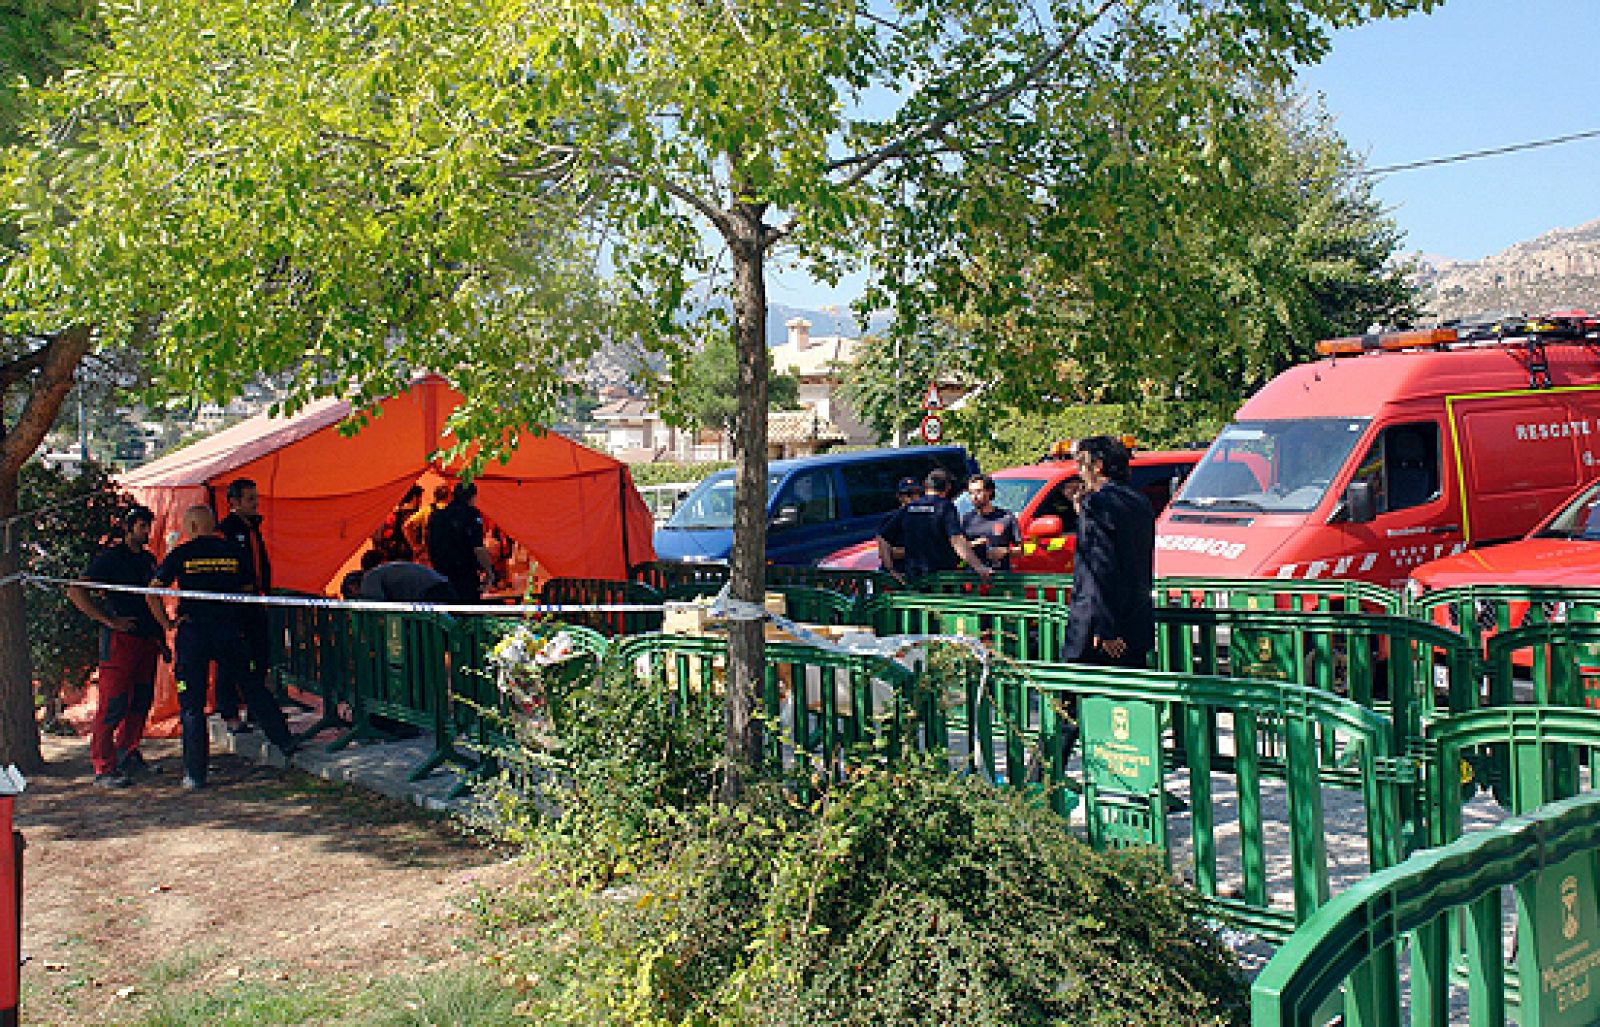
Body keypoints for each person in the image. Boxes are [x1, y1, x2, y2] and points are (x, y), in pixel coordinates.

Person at [147, 505, 298, 790]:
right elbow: (248, 590)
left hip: (193, 631)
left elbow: (152, 591)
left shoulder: (181, 553)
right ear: (213, 525)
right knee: (252, 686)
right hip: (228, 628)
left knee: (191, 705)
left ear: (190, 527)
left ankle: (195, 773)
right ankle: (285, 742)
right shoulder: (232, 551)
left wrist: (167, 624)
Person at [68, 505, 170, 788]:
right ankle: (103, 765)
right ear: (129, 528)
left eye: (148, 526)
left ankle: (127, 754)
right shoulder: (111, 559)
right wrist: (107, 620)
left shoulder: (149, 559)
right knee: (112, 705)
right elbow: (76, 589)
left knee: (140, 702)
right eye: (142, 526)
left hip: (146, 641)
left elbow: (153, 600)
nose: (147, 532)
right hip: (119, 643)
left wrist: (161, 638)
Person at [1064, 436, 1156, 669]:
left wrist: (1106, 628)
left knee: (1080, 700)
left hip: (1098, 630)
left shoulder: (1097, 503)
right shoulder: (1140, 500)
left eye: (1080, 463)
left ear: (1098, 466)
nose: (1079, 471)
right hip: (1135, 619)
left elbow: (1100, 567)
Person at [217, 478, 270, 734]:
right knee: (231, 660)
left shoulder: (253, 527)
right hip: (234, 608)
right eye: (250, 499)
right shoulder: (225, 531)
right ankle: (229, 712)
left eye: (256, 499)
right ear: (234, 502)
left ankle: (256, 708)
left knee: (260, 656)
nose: (255, 504)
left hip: (257, 604)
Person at [876, 468, 993, 583]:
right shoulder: (945, 507)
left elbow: (882, 537)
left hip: (915, 578)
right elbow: (956, 540)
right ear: (948, 488)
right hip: (941, 579)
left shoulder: (909, 508)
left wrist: (890, 569)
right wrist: (979, 567)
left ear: (926, 486)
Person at [427, 482, 494, 602]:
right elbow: (477, 547)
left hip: (440, 575)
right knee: (467, 614)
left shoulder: (438, 516)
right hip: (465, 575)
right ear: (472, 497)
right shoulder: (471, 515)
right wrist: (489, 571)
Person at [962, 474, 1022, 572]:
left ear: (989, 492)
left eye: (978, 492)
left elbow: (1020, 550)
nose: (974, 497)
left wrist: (1005, 551)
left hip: (1000, 578)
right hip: (974, 579)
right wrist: (975, 544)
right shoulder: (966, 519)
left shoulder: (1006, 517)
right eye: (971, 493)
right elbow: (957, 547)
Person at [357, 557, 458, 603]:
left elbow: (377, 605)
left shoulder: (370, 577)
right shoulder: (388, 569)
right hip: (441, 584)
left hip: (431, 593)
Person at [403, 485, 452, 567]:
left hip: (429, 553)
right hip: (448, 554)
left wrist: (414, 546)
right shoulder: (454, 511)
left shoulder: (427, 510)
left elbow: (406, 526)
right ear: (448, 496)